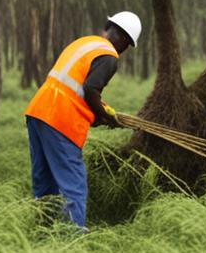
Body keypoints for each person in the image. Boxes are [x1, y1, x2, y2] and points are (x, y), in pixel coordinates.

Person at [23, 11, 141, 228]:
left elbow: (76, 86)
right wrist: (105, 116)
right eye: (128, 45)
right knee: (73, 183)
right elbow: (90, 89)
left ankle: (42, 230)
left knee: (44, 180)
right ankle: (73, 237)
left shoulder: (86, 43)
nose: (124, 50)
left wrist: (99, 112)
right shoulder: (109, 56)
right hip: (60, 119)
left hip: (38, 111)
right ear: (125, 39)